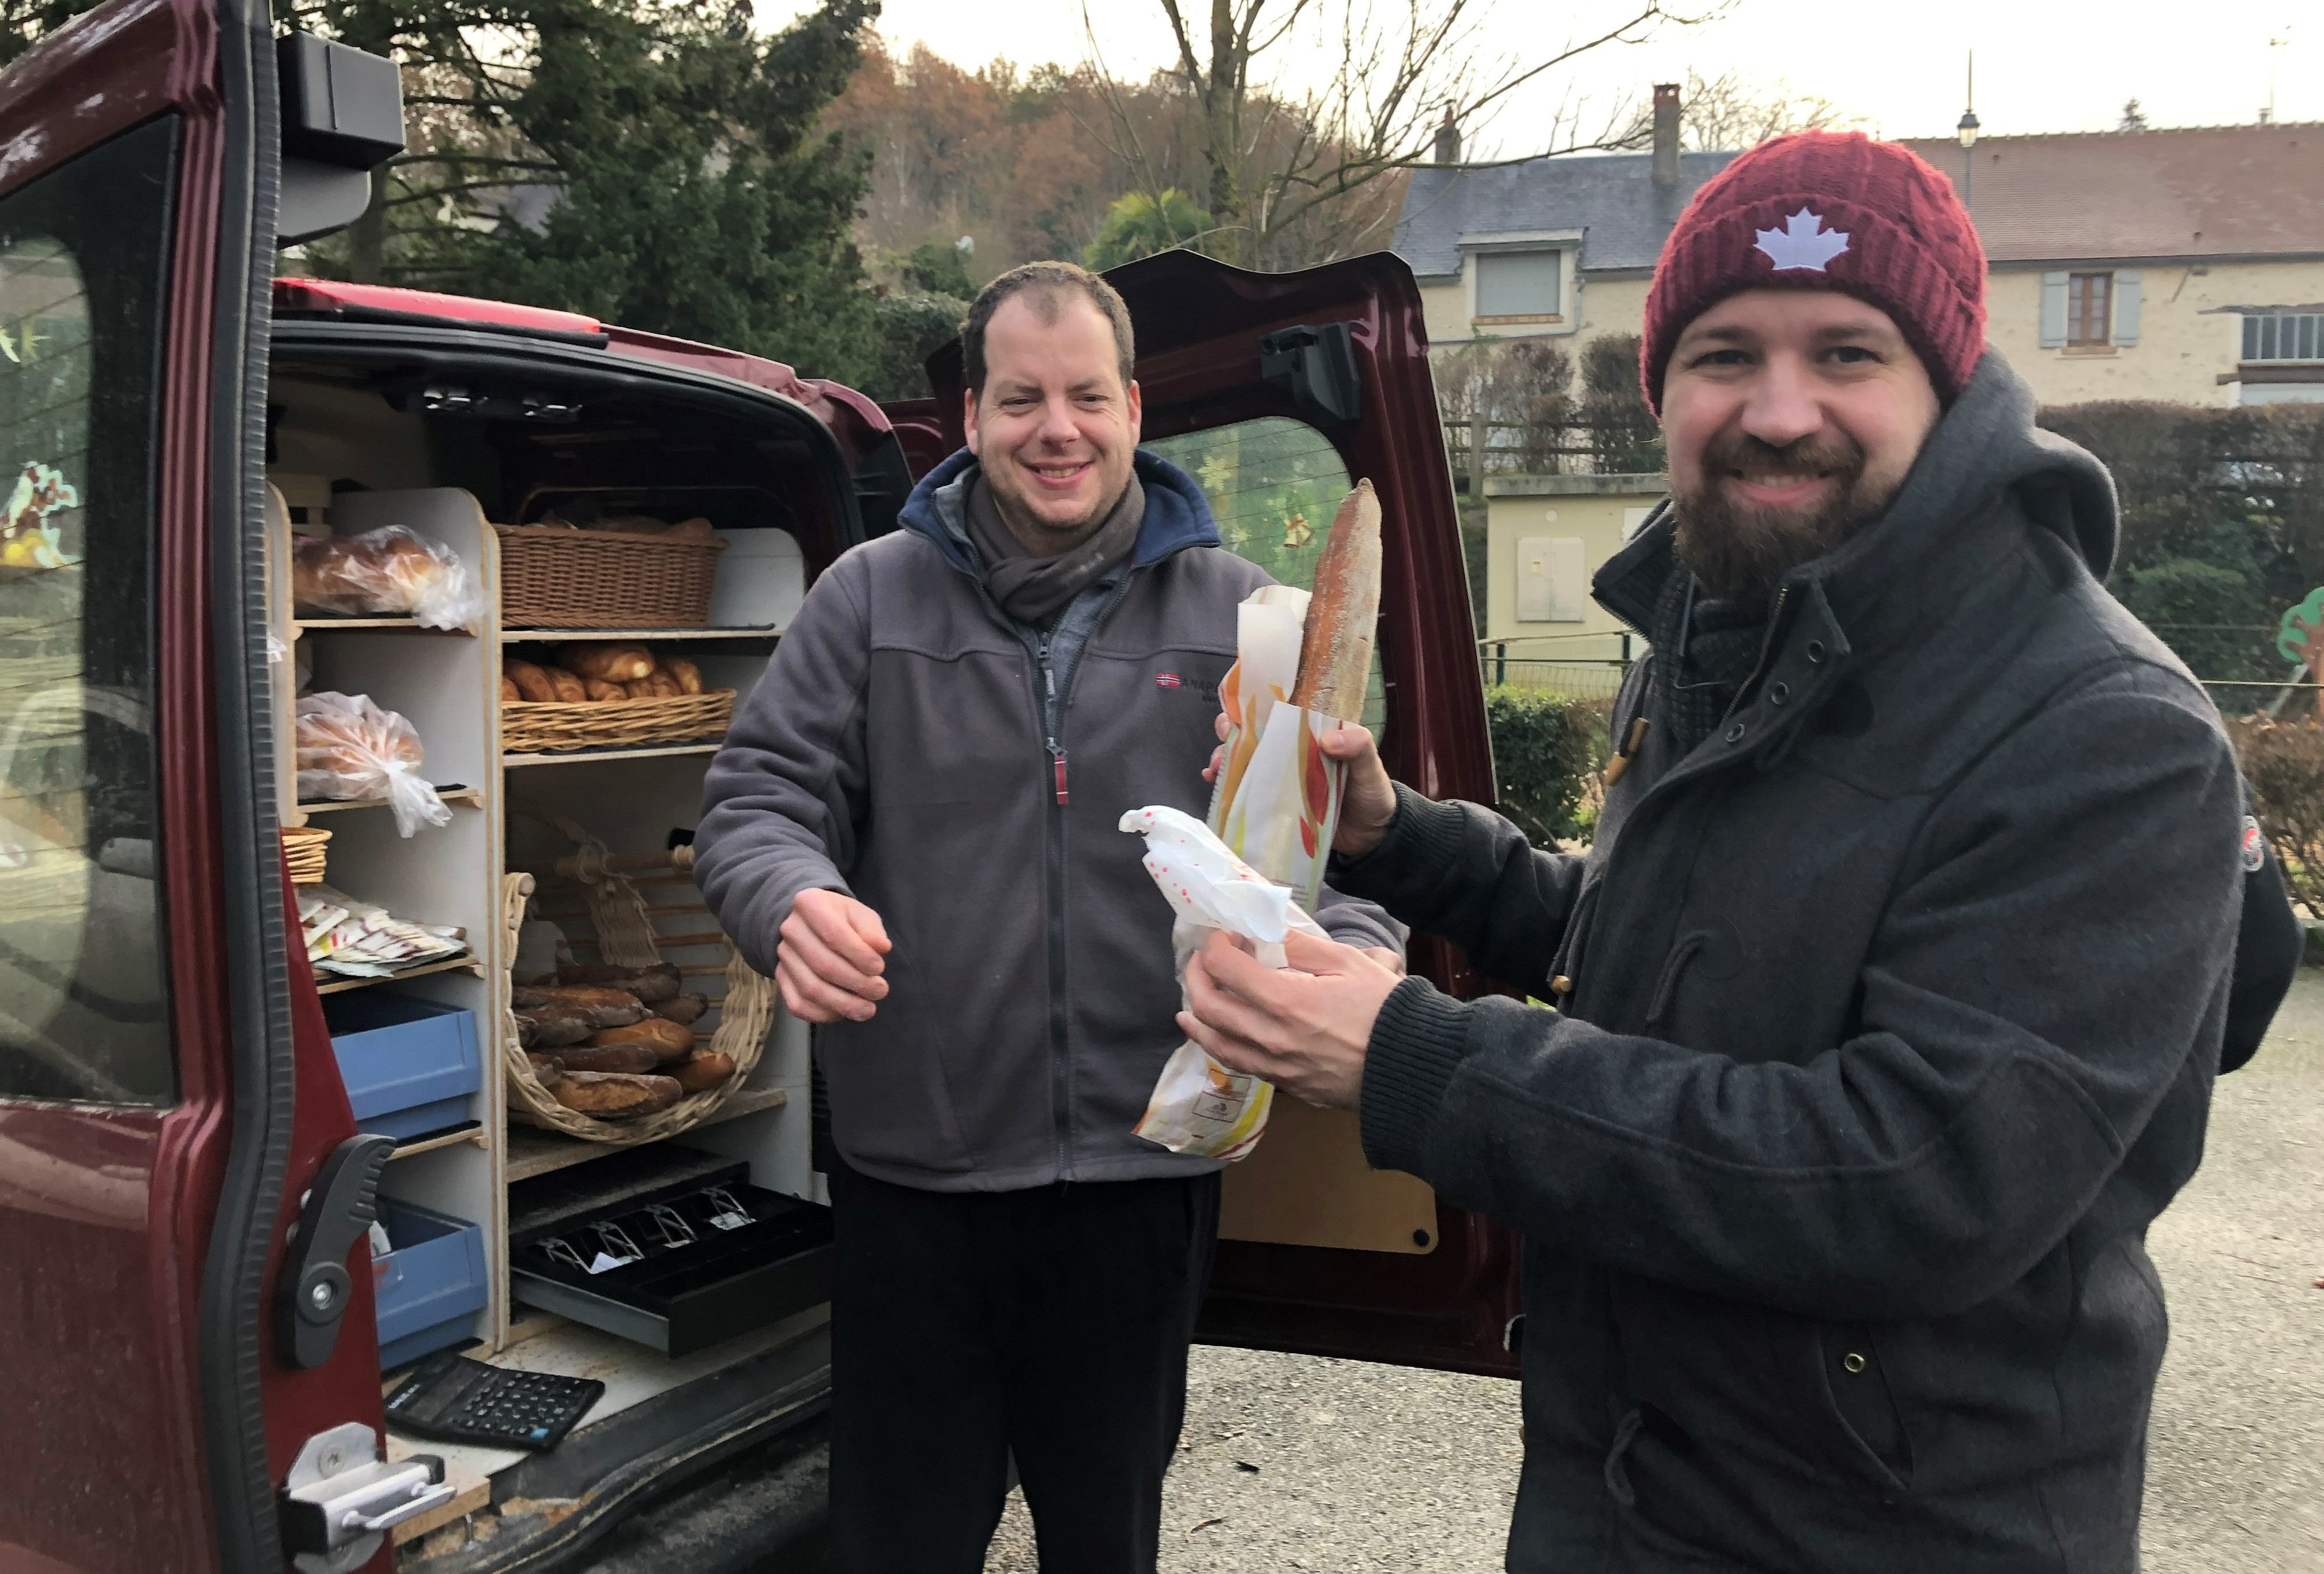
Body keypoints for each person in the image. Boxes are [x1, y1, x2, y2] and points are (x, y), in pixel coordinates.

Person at [1180, 133, 2257, 1572]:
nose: (1780, 407)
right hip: (1626, 1485)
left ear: (1947, 381)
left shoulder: (2106, 732)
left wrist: (1414, 1060)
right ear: (1665, 388)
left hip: (1888, 1527)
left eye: (1847, 352)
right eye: (1726, 353)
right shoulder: (1731, 626)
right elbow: (1645, 947)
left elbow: (1913, 1178)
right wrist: (1400, 839)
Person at [692, 260, 1403, 1573]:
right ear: (971, 414)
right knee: (900, 1540)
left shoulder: (1242, 615)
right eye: (1021, 398)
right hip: (921, 1181)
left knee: (1105, 1538)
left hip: (1141, 1184)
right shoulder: (868, 599)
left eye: (1086, 395)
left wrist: (1350, 966)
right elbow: (754, 802)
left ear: (1136, 409)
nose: (1056, 428)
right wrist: (791, 895)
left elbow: (1323, 857)